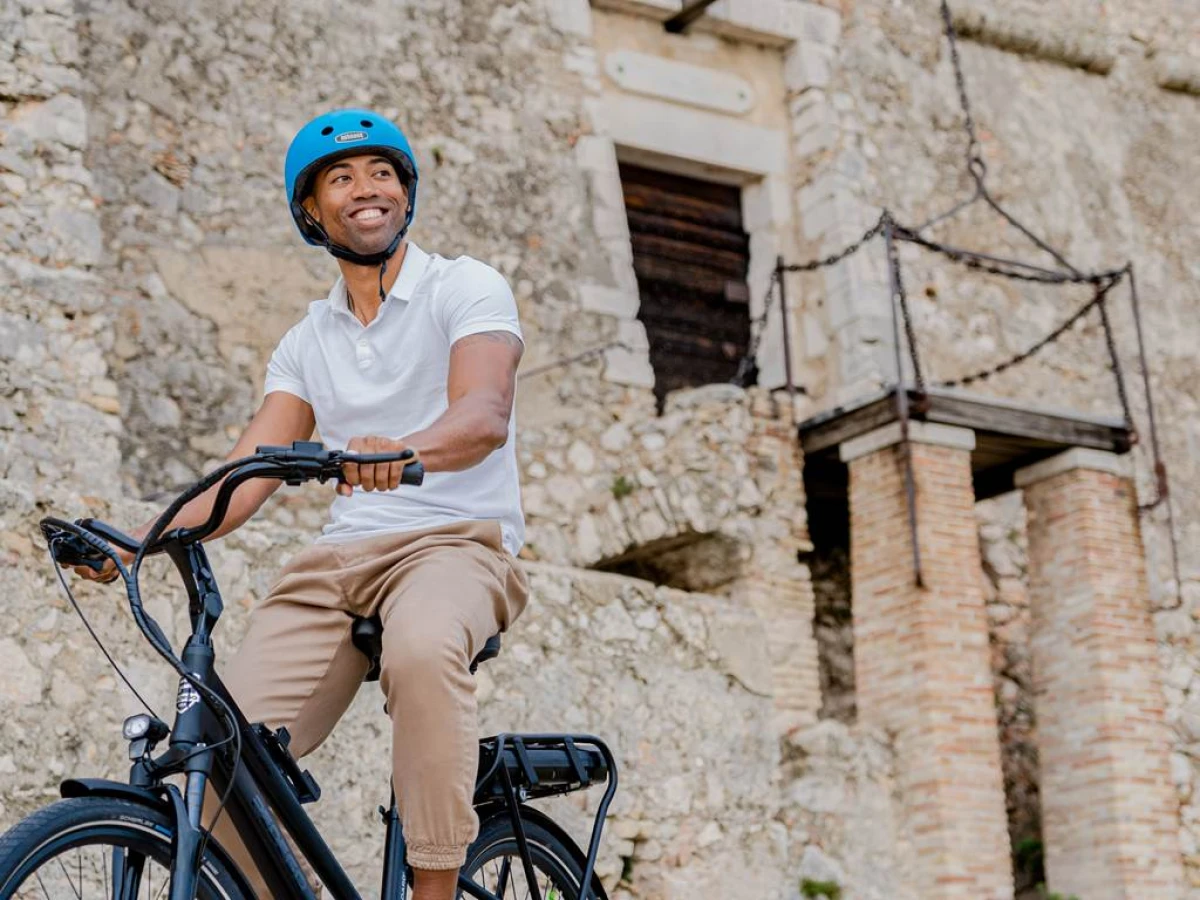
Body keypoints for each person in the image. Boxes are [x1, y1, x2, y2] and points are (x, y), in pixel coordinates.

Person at [72, 108, 528, 900]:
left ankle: (436, 887)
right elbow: (248, 471)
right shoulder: (307, 339)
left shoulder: (465, 285)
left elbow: (483, 414)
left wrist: (407, 451)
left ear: (406, 192)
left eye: (382, 173)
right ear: (312, 212)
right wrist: (136, 540)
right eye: (341, 180)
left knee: (421, 648)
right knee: (221, 745)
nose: (366, 191)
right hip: (340, 560)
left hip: (455, 545)